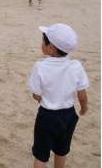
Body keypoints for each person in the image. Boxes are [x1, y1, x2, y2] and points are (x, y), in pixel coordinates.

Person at [29, 24, 89, 168]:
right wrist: (84, 108)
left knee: (41, 155)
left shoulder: (40, 66)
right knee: (62, 151)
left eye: (43, 41)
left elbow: (36, 94)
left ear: (51, 48)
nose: (41, 43)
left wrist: (43, 99)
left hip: (47, 116)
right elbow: (82, 94)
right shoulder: (76, 66)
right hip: (69, 115)